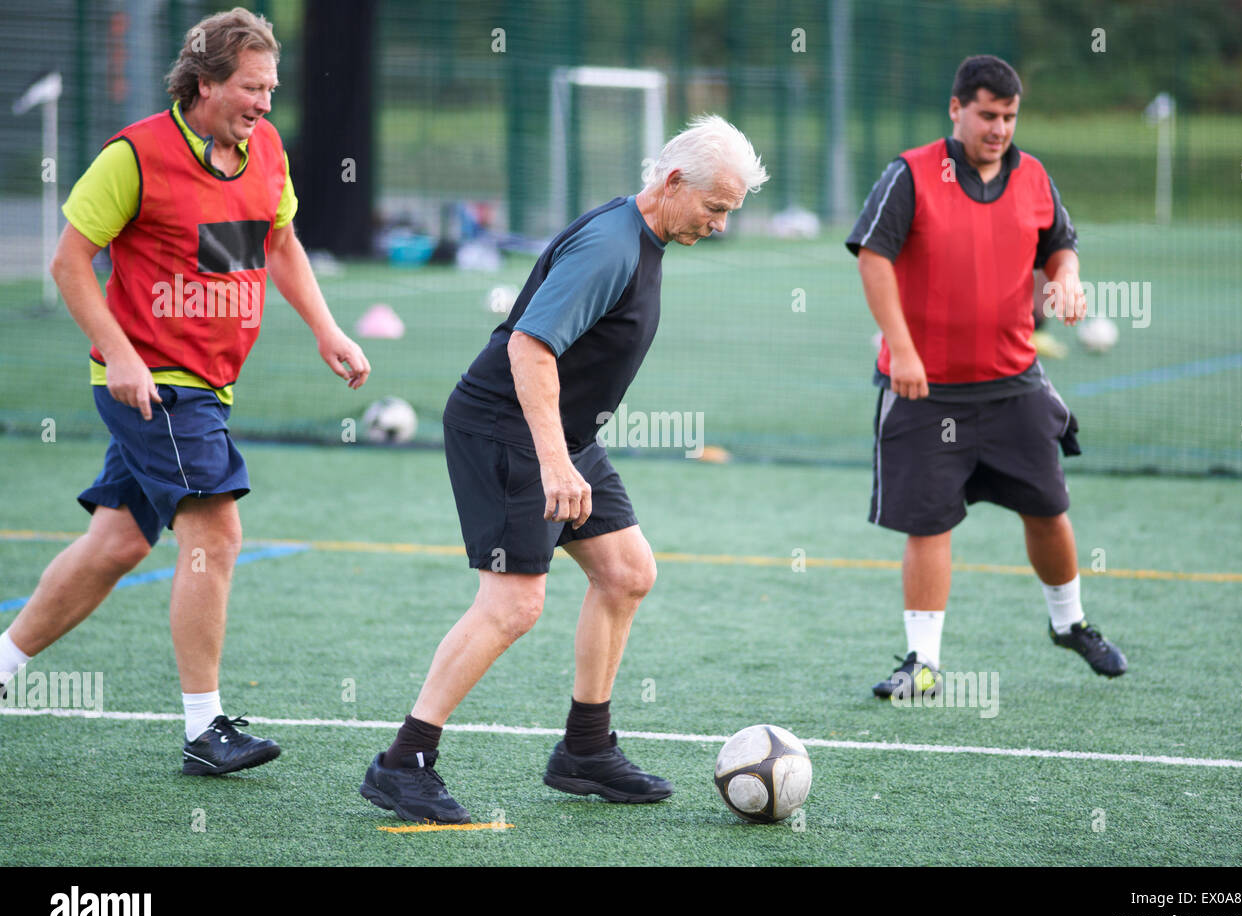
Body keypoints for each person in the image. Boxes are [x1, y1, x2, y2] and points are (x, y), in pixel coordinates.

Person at [360, 115, 768, 824]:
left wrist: (565, 449)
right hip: (508, 428)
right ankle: (403, 763)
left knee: (627, 572)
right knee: (514, 605)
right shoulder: (611, 246)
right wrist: (554, 461)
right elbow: (529, 350)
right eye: (715, 208)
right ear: (673, 183)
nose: (721, 224)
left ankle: (584, 752)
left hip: (562, 433)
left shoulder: (645, 234)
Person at [0, 7, 371, 772]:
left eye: (271, 88)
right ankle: (204, 731)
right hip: (157, 387)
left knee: (115, 545)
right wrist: (119, 354)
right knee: (216, 533)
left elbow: (278, 243)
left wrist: (327, 330)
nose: (266, 103)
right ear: (204, 84)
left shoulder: (264, 150)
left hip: (210, 384)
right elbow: (71, 263)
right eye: (250, 87)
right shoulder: (134, 155)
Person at [845, 55, 1126, 700]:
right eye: (987, 115)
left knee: (1049, 509)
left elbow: (1060, 241)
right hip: (923, 389)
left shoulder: (1033, 176)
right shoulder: (910, 173)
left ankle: (1069, 622)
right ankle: (923, 664)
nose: (999, 128)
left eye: (1009, 116)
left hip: (1013, 383)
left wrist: (1068, 280)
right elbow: (874, 259)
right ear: (956, 110)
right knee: (930, 523)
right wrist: (902, 348)